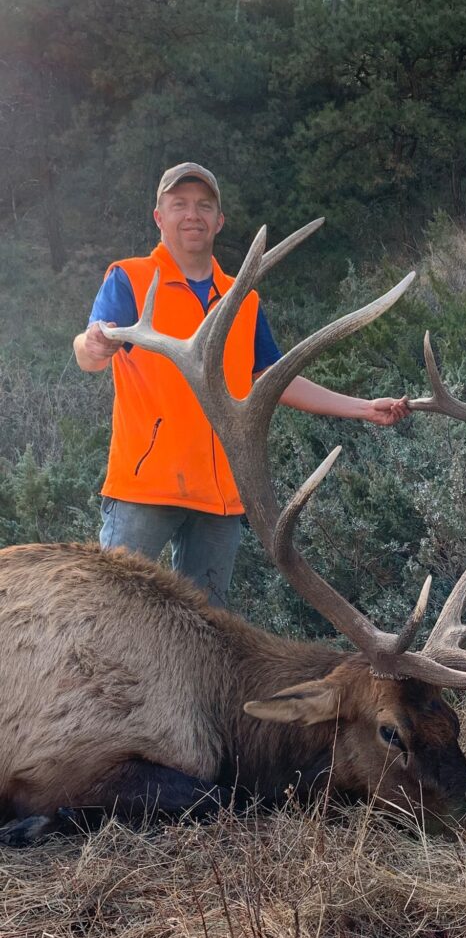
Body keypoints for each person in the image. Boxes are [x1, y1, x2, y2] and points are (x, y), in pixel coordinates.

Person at [73, 162, 410, 607]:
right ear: (159, 217)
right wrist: (94, 344)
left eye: (204, 206)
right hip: (145, 490)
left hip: (221, 499)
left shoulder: (242, 299)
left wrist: (363, 408)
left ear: (219, 220)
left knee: (207, 639)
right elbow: (90, 349)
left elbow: (274, 378)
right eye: (179, 205)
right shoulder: (130, 279)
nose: (192, 214)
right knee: (112, 616)